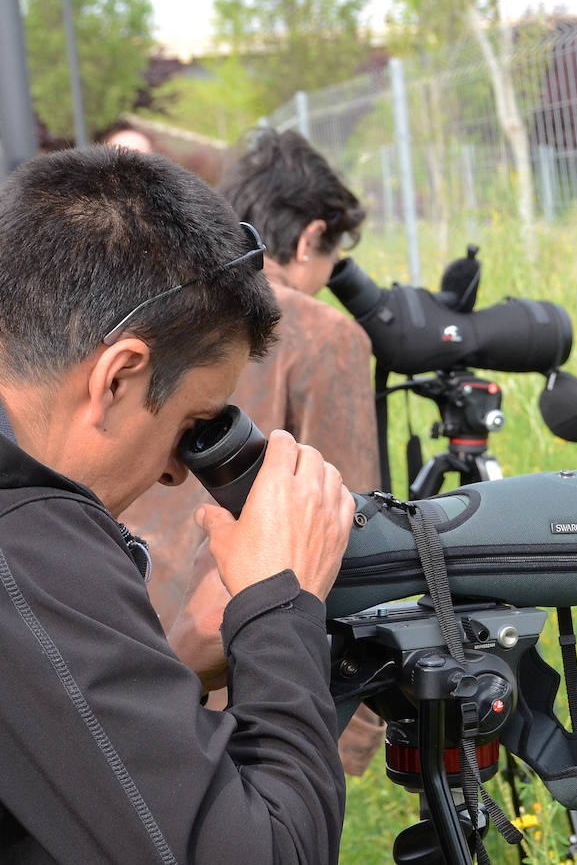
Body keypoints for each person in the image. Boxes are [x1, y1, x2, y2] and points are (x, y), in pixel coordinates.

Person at [0, 144, 354, 862]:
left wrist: (169, 669)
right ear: (119, 376)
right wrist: (278, 611)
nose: (176, 476)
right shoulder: (30, 544)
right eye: (193, 429)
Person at [121, 128, 387, 776]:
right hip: (242, 661)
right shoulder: (327, 336)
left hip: (123, 640)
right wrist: (350, 739)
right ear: (307, 238)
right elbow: (343, 518)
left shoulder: (154, 308)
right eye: (332, 260)